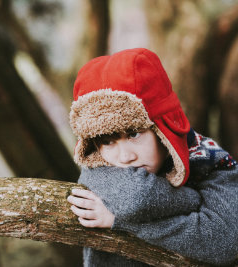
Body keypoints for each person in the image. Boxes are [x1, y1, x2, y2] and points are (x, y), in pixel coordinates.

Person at [66, 48, 238, 266]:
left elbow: (222, 243)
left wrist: (119, 221)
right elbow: (137, 197)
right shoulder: (97, 162)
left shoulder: (213, 163)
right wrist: (192, 200)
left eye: (134, 134)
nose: (125, 156)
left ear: (162, 129)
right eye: (108, 141)